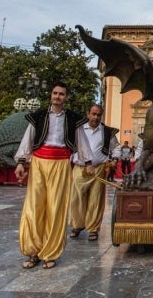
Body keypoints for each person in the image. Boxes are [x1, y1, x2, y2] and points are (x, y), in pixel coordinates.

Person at [14, 82, 88, 270]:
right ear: (51, 95)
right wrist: (21, 162)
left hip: (62, 163)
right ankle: (33, 252)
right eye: (55, 93)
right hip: (39, 162)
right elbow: (28, 140)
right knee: (34, 207)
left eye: (61, 94)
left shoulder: (73, 119)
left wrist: (88, 163)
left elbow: (82, 142)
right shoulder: (38, 116)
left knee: (56, 209)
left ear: (66, 97)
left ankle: (50, 253)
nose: (57, 97)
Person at [68, 104, 119, 242]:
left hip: (98, 168)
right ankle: (77, 226)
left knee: (95, 200)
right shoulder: (78, 129)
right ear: (88, 113)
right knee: (76, 198)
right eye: (93, 114)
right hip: (80, 169)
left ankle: (93, 229)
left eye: (98, 115)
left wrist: (114, 160)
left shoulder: (107, 132)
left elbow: (116, 148)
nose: (95, 117)